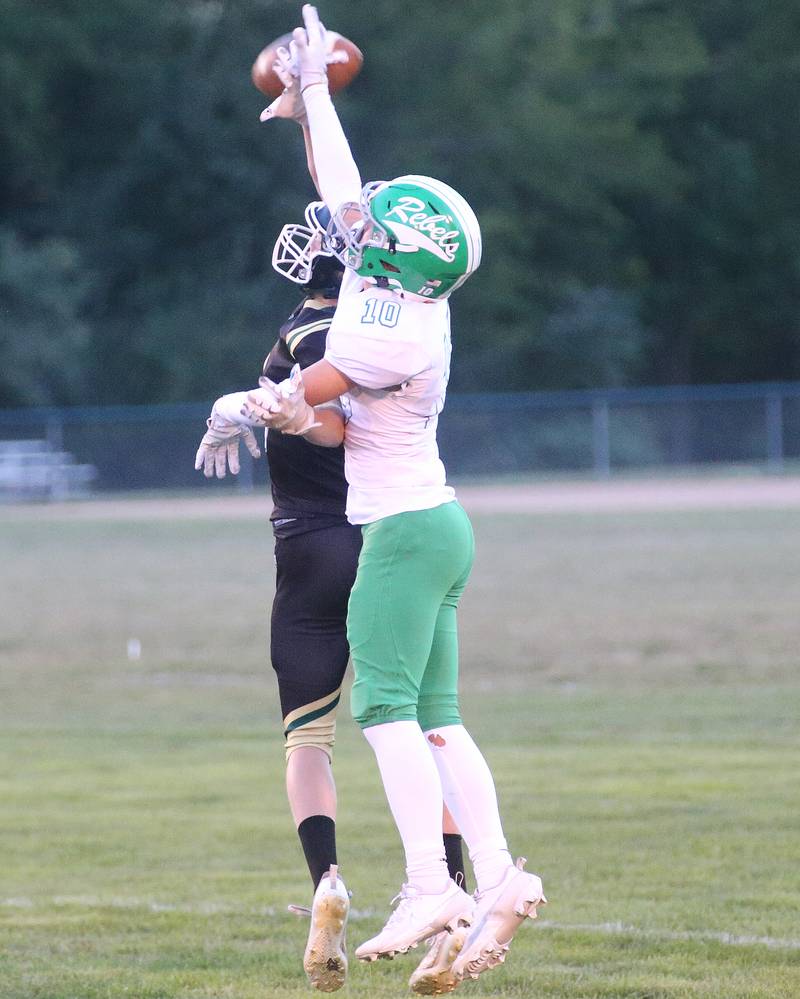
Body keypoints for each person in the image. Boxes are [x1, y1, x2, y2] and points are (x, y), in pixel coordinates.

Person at [234, 5, 548, 990]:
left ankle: (429, 885)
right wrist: (315, 95)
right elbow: (342, 190)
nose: (366, 217)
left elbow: (301, 398)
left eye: (385, 222)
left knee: (382, 712)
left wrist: (249, 404)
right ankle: (496, 877)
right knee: (442, 718)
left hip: (401, 531)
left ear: (399, 257)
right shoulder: (409, 291)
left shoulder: (384, 338)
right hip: (436, 522)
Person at [194, 187, 469, 991]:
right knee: (424, 723)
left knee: (308, 737)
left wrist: (244, 410)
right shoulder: (398, 321)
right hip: (389, 536)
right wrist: (256, 410)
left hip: (311, 545)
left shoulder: (302, 333)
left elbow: (325, 419)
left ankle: (329, 882)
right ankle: (446, 896)